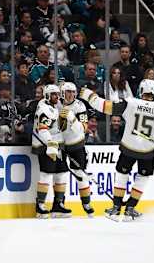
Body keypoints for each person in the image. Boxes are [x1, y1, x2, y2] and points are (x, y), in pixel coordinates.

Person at [80, 79, 154, 221]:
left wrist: (89, 96)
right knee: (142, 178)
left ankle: (116, 208)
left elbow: (105, 106)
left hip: (129, 147)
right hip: (147, 150)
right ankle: (130, 209)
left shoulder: (130, 102)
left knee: (122, 175)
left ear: (141, 90)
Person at [32, 84, 71, 219]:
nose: (57, 96)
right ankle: (40, 205)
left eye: (57, 94)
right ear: (48, 95)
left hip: (56, 145)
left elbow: (58, 128)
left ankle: (58, 204)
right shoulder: (44, 109)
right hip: (45, 145)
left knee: (61, 173)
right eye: (54, 94)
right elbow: (42, 129)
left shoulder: (55, 107)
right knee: (46, 174)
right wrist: (51, 145)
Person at [59, 82, 94, 217]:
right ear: (62, 92)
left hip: (76, 144)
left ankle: (86, 203)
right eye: (68, 91)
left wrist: (72, 119)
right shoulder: (56, 104)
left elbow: (84, 128)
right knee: (60, 175)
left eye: (73, 92)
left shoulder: (79, 106)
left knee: (80, 175)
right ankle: (60, 203)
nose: (72, 94)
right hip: (60, 144)